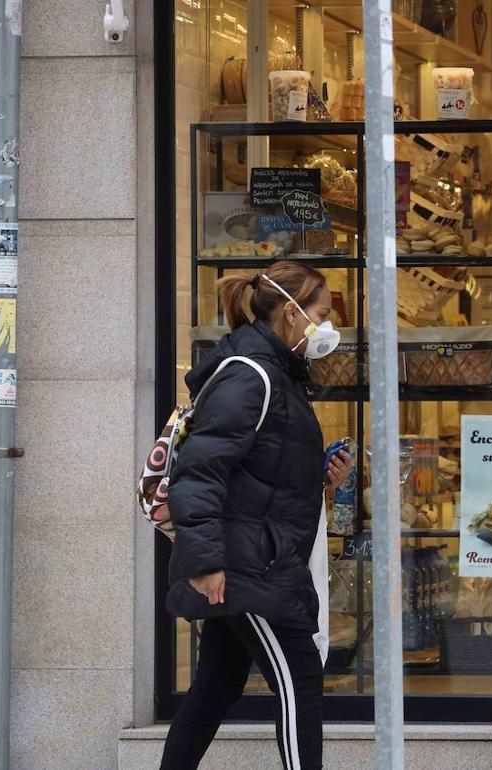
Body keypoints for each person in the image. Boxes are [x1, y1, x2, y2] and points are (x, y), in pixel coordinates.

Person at [159, 261, 351, 770]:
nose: (328, 326)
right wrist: (204, 562)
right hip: (246, 566)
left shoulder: (277, 374)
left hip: (254, 558)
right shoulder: (253, 375)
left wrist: (319, 475)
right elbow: (200, 471)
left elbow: (261, 469)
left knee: (216, 687)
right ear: (291, 314)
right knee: (300, 682)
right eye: (322, 313)